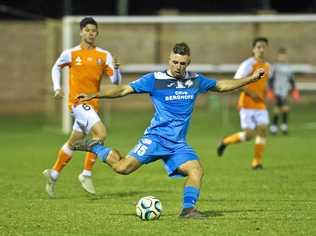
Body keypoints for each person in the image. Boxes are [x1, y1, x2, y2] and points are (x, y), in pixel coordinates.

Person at [75, 42, 264, 218]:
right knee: (123, 168)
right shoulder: (155, 80)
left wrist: (250, 79)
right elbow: (123, 90)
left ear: (188, 62)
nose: (178, 66)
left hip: (178, 144)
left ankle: (188, 210)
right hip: (155, 139)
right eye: (175, 62)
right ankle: (96, 147)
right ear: (169, 60)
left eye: (182, 63)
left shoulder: (195, 81)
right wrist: (94, 94)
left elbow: (221, 86)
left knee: (196, 170)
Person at [42, 17, 121, 197]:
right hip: (78, 103)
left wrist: (116, 69)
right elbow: (56, 67)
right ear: (80, 32)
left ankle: (53, 174)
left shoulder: (104, 55)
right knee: (101, 134)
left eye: (93, 31)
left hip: (93, 104)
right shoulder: (71, 53)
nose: (90, 33)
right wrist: (57, 87)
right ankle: (86, 173)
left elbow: (116, 81)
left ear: (97, 33)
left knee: (74, 141)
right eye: (87, 30)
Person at [217, 37, 271, 170]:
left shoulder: (268, 66)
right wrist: (252, 93)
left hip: (260, 104)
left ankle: (256, 162)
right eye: (259, 47)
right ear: (253, 49)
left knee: (263, 130)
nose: (261, 49)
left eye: (264, 46)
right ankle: (225, 141)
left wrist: (266, 94)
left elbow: (264, 84)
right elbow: (237, 81)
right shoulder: (248, 64)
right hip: (247, 104)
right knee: (249, 135)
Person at [268, 47, 300, 135]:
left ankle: (283, 126)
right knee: (277, 109)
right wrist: (270, 90)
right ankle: (275, 127)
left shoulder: (288, 68)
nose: (282, 58)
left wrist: (294, 90)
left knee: (285, 108)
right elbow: (270, 79)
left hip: (285, 90)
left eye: (284, 56)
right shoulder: (274, 67)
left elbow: (291, 80)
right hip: (276, 90)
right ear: (278, 57)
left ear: (286, 57)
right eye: (280, 56)